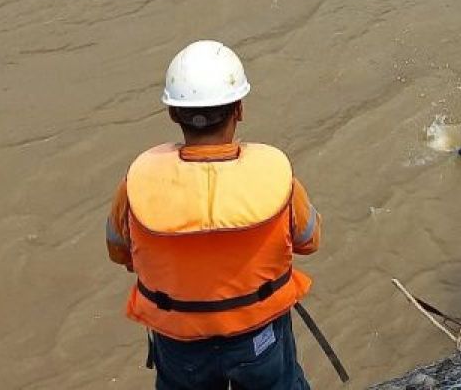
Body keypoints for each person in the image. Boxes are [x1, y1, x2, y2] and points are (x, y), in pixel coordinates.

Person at [106, 40, 321, 389]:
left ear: (173, 113)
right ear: (240, 109)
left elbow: (119, 250)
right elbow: (309, 240)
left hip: (180, 343)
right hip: (258, 335)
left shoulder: (135, 184)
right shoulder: (277, 177)